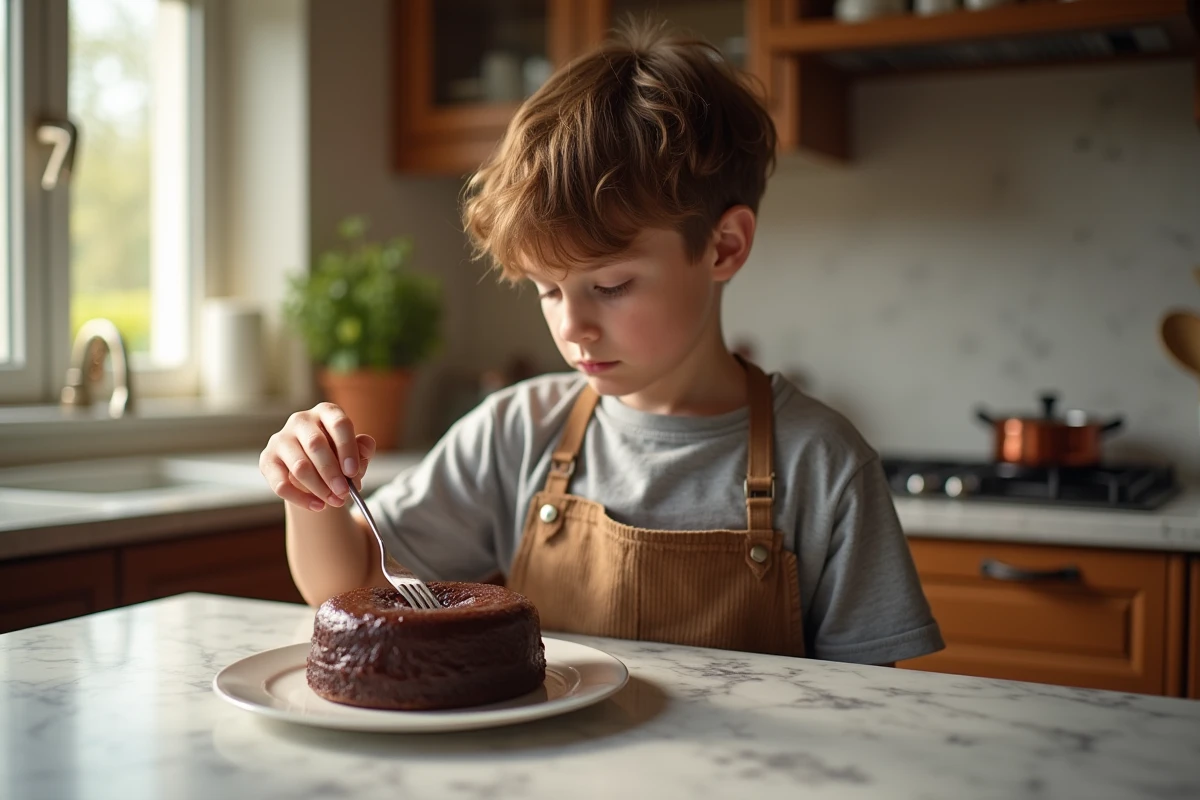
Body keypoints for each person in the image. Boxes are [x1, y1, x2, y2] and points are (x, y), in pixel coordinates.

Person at [259, 23, 943, 665]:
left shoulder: (824, 466)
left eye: (611, 286)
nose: (571, 327)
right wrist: (310, 493)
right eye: (547, 290)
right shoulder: (517, 432)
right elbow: (343, 585)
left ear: (724, 247)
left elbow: (871, 702)